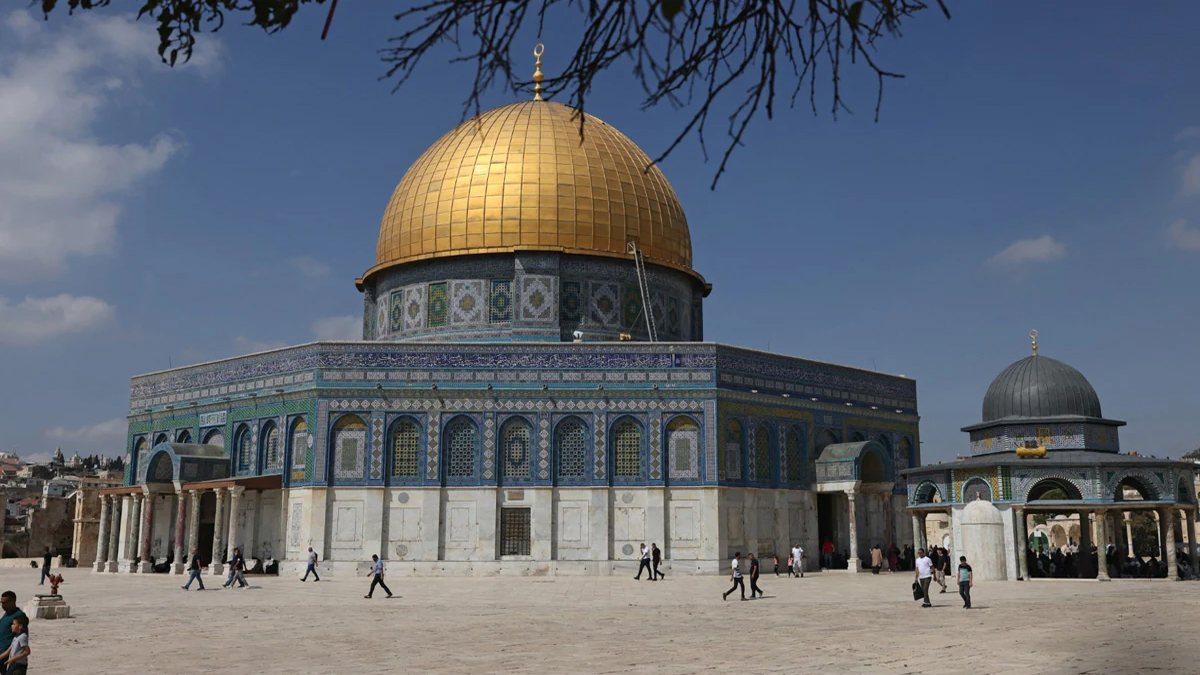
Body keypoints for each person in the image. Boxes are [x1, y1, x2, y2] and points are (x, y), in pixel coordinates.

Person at [0, 591, 27, 673]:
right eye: (1, 603)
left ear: (13, 601)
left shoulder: (19, 616)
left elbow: (23, 637)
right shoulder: (6, 614)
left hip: (9, 656)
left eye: (5, 603)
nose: (2, 605)